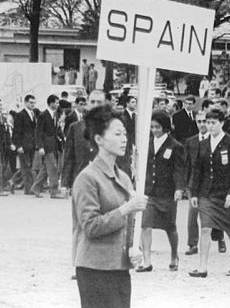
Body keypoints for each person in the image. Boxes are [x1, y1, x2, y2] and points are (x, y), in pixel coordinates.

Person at [72, 104, 147, 308]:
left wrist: (135, 248)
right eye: (117, 133)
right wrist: (127, 208)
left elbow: (129, 225)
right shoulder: (87, 178)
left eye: (124, 133)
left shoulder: (123, 177)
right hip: (95, 269)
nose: (124, 139)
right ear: (99, 139)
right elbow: (91, 226)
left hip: (119, 268)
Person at [188, 108, 230, 278]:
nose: (209, 126)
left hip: (225, 194)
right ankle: (202, 267)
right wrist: (195, 194)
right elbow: (198, 170)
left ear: (221, 123)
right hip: (206, 194)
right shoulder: (203, 144)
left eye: (213, 123)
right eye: (207, 122)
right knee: (205, 228)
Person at [137, 111, 186, 272]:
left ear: (165, 127)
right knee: (145, 225)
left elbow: (179, 170)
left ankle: (174, 255)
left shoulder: (175, 146)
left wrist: (179, 188)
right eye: (152, 127)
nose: (154, 130)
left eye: (157, 127)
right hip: (150, 192)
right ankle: (147, 261)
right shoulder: (147, 143)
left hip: (167, 193)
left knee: (170, 227)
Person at [62, 90, 106, 190]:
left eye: (99, 102)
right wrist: (65, 183)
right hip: (81, 180)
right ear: (87, 105)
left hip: (104, 182)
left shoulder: (111, 127)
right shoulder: (75, 127)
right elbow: (69, 157)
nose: (95, 105)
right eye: (92, 102)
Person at [33, 94, 64, 198]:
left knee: (46, 168)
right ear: (51, 103)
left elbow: (57, 129)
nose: (58, 104)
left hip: (54, 145)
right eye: (56, 102)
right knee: (53, 168)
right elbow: (38, 132)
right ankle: (54, 191)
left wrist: (63, 137)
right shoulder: (43, 115)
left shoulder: (55, 115)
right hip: (46, 146)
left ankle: (36, 187)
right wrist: (40, 147)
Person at [13, 95, 38, 195]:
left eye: (34, 102)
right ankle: (28, 189)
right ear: (26, 103)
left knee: (31, 167)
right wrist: (18, 146)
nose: (33, 104)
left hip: (32, 145)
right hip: (23, 146)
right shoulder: (20, 115)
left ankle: (12, 181)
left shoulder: (34, 114)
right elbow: (16, 132)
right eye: (31, 102)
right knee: (25, 167)